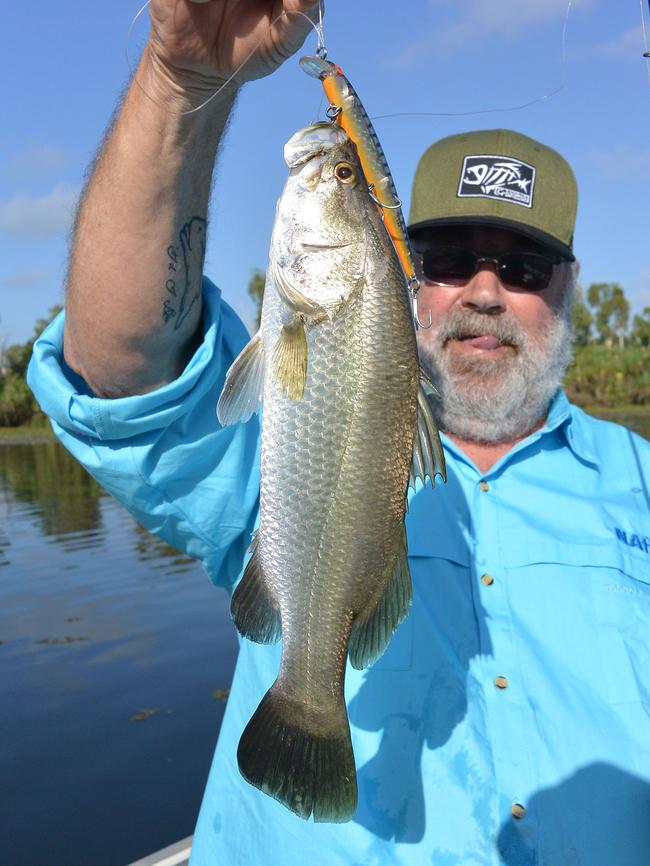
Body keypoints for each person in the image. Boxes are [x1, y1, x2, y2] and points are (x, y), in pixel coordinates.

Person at [27, 2, 650, 864]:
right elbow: (125, 375)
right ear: (404, 274)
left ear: (569, 285)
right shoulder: (264, 448)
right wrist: (181, 84)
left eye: (520, 265)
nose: (481, 290)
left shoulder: (639, 482)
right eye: (443, 257)